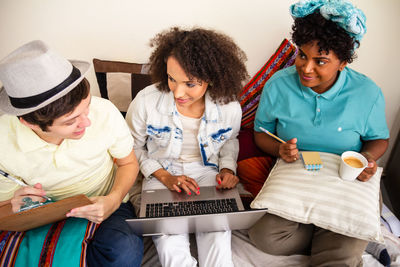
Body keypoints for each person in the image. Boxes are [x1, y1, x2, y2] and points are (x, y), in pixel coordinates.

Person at [248, 0, 389, 266]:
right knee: (264, 237)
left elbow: (379, 139)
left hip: (346, 181)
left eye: (320, 61)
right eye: (302, 55)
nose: (306, 68)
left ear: (343, 62)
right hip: (299, 178)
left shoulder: (367, 92)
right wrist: (278, 149)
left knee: (341, 258)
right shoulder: (278, 86)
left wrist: (367, 157)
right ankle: (334, 232)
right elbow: (261, 133)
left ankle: (344, 237)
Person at [0, 40, 143, 266]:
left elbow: (128, 164)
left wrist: (113, 200)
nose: (87, 121)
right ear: (30, 123)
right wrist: (14, 204)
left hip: (107, 201)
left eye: (86, 107)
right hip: (45, 212)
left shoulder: (104, 111)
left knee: (123, 252)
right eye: (71, 121)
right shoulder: (3, 142)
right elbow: (4, 211)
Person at [125, 27, 248, 267]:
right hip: (161, 173)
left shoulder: (229, 106)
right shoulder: (146, 101)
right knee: (168, 240)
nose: (178, 91)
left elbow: (230, 141)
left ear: (211, 78)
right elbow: (131, 147)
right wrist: (165, 177)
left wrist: (228, 170)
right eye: (172, 79)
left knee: (216, 233)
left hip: (206, 171)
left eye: (190, 84)